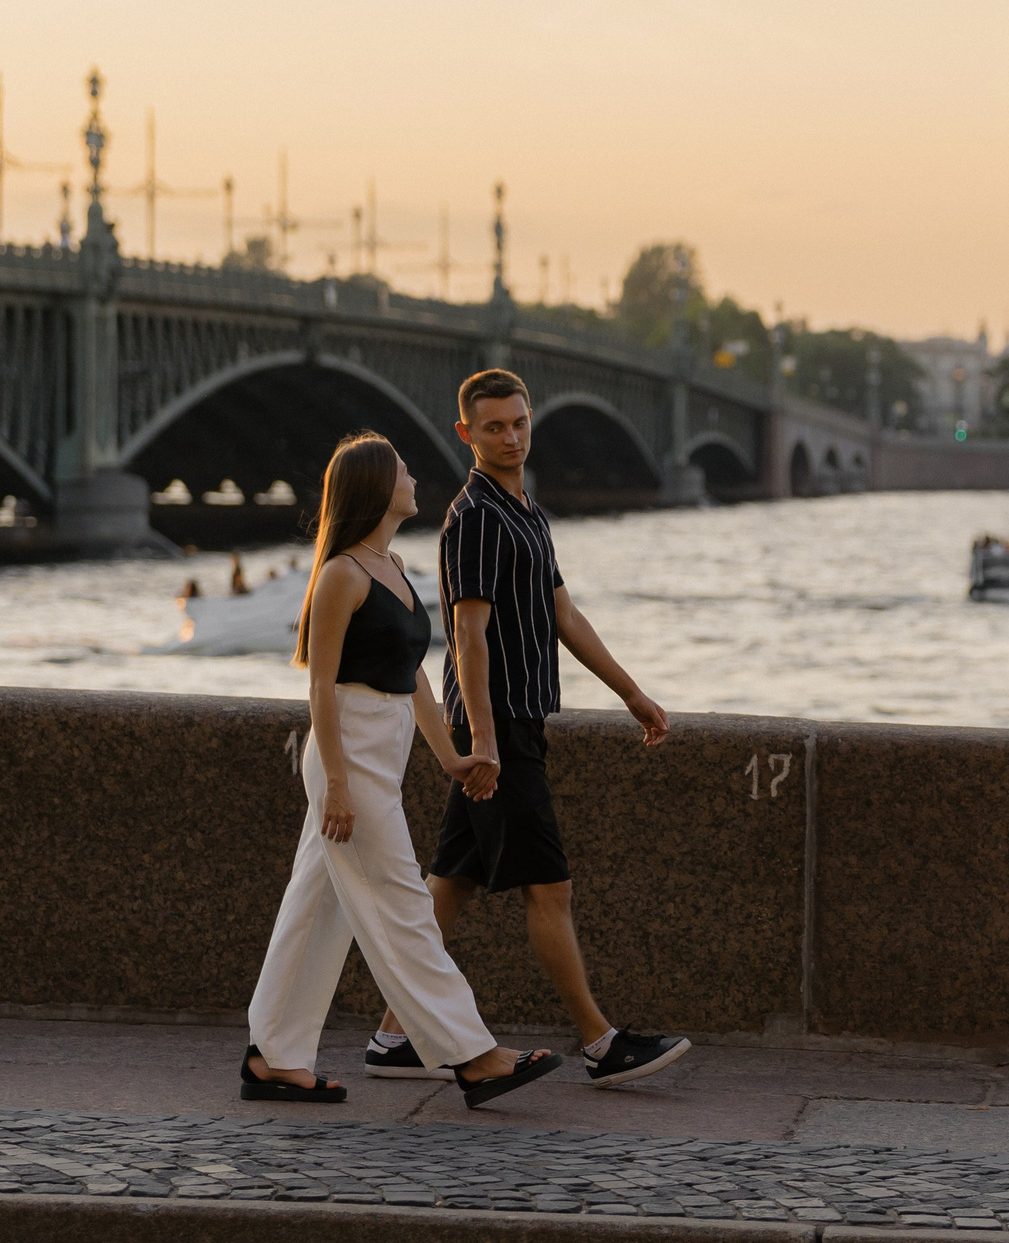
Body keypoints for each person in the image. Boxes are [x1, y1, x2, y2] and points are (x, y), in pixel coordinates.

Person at [364, 368, 690, 1089]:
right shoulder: (476, 515)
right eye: (493, 427)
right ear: (466, 434)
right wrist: (481, 741)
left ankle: (393, 1037)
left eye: (518, 422)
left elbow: (564, 616)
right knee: (550, 888)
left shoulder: (528, 513)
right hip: (501, 727)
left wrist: (632, 693)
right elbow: (468, 634)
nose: (510, 437)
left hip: (516, 720)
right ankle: (602, 1043)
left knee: (450, 884)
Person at [241, 430, 561, 1110]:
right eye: (403, 470)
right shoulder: (341, 575)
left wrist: (449, 755)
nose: (415, 478)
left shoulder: (388, 564)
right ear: (375, 486)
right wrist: (336, 782)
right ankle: (473, 1055)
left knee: (317, 906)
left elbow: (413, 672)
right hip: (348, 752)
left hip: (379, 750)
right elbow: (322, 687)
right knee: (403, 904)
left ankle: (273, 1056)